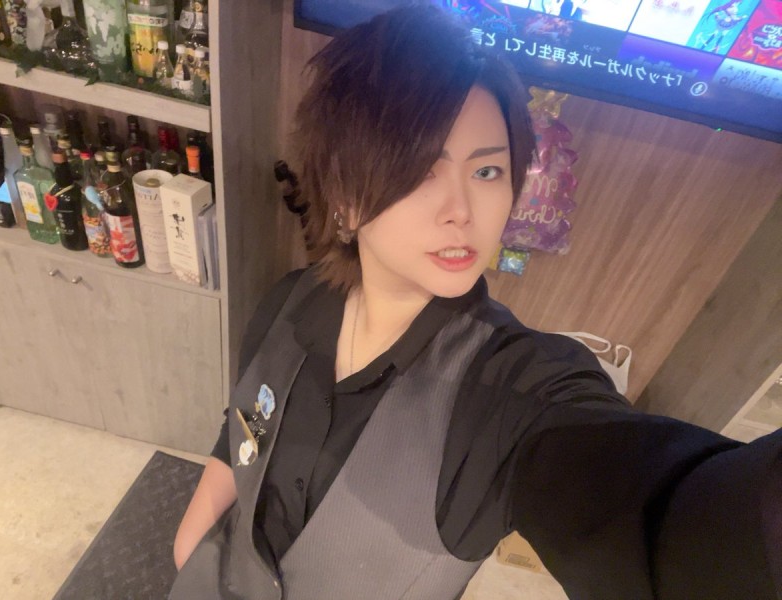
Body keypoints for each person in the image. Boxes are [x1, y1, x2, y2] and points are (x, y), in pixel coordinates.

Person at [170, 6, 781, 600]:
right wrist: (189, 552)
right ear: (344, 201)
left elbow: (667, 517)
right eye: (420, 172)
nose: (461, 211)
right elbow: (239, 437)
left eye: (487, 172)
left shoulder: (511, 392)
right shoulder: (290, 301)